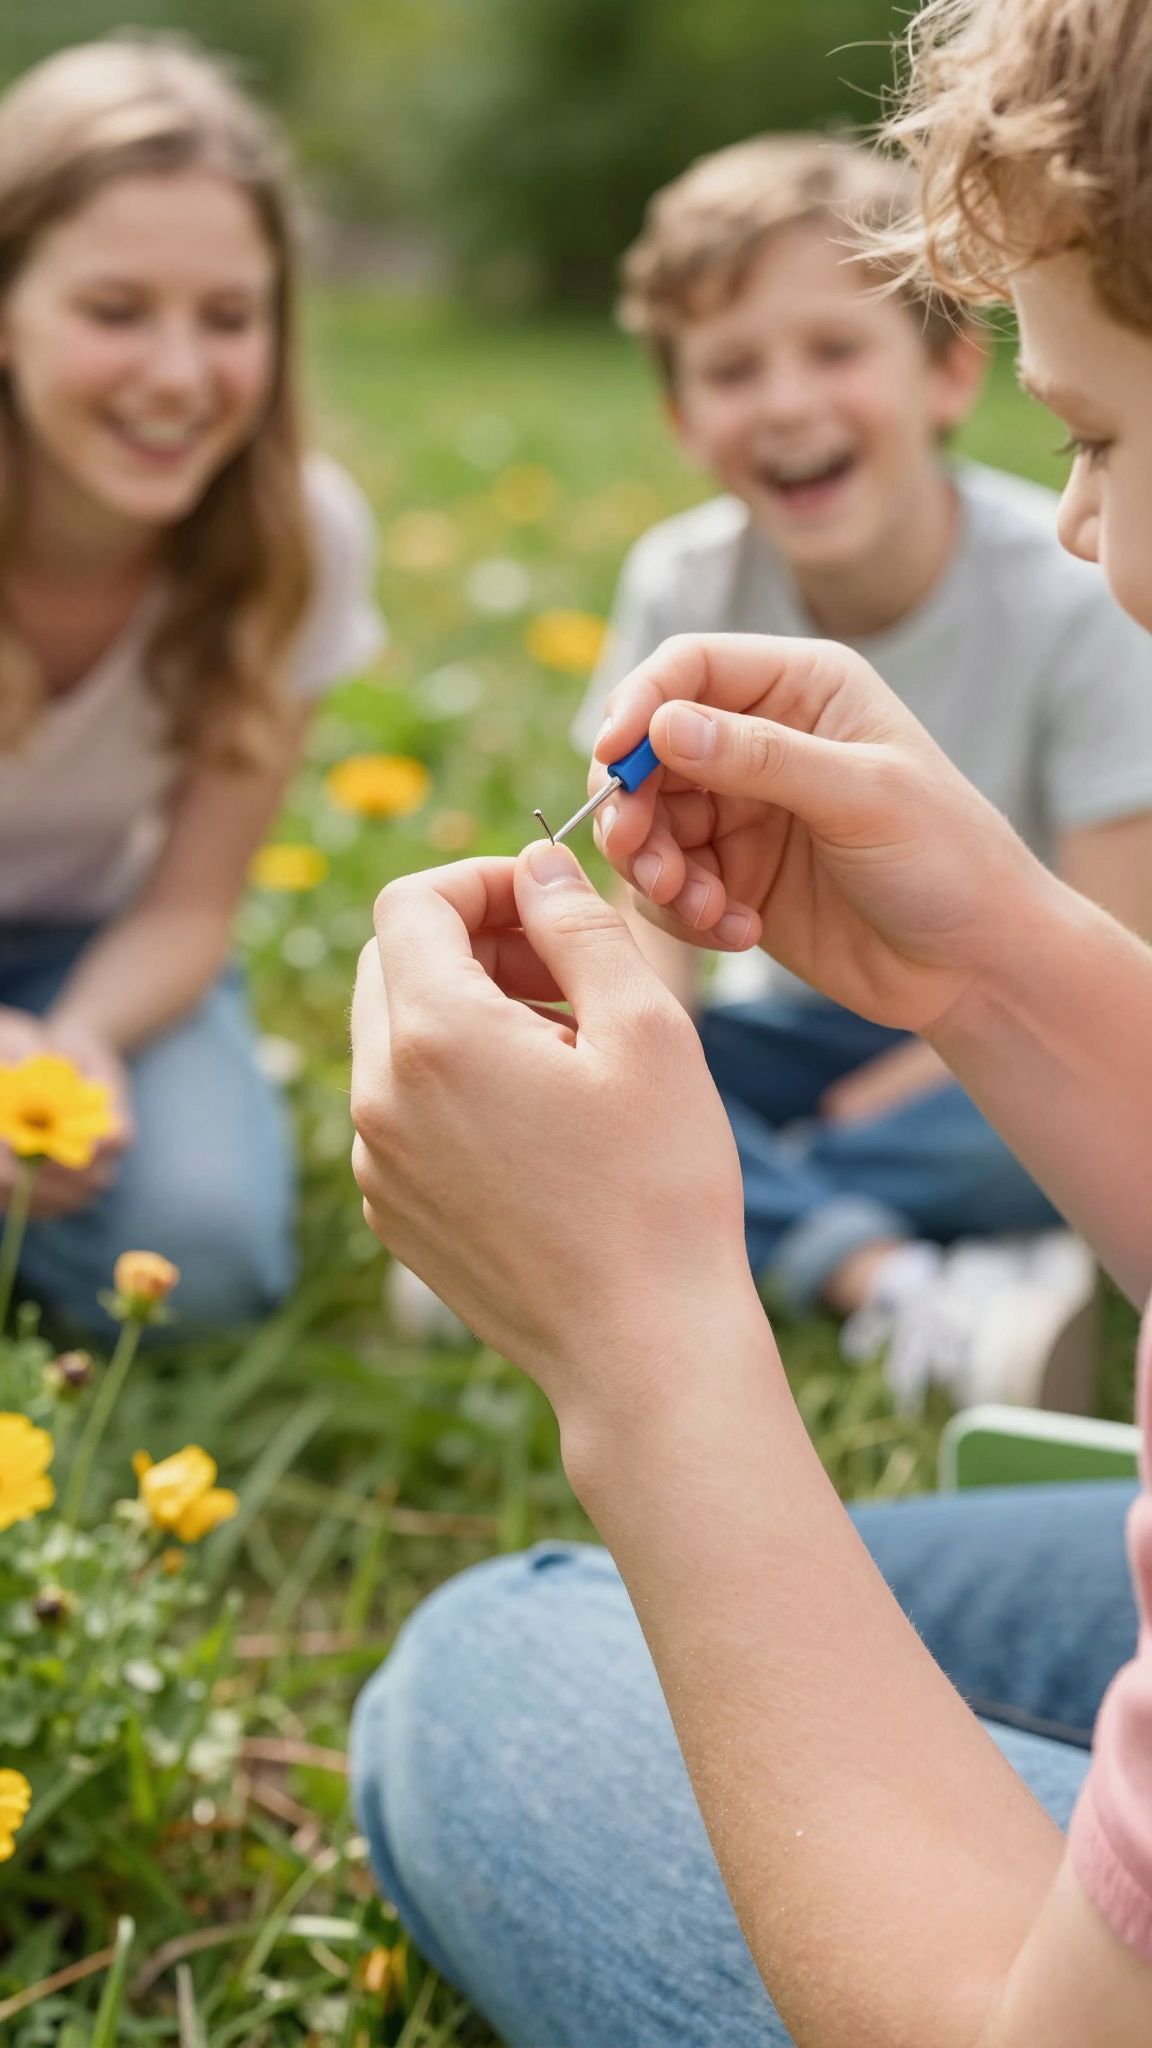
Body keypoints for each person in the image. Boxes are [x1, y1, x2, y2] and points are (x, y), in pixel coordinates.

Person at [348, 1, 1152, 2041]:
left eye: (1104, 440)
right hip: (850, 1042)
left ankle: (831, 1252)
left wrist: (646, 1335)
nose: (1077, 522)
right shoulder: (685, 572)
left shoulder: (1041, 617)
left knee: (489, 1674)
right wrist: (990, 971)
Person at [572, 133, 1152, 1408]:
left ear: (949, 370)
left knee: (1010, 1129)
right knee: (596, 1069)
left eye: (835, 351)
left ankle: (675, 1220)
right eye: (732, 369)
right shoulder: (684, 583)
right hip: (810, 1015)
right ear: (681, 417)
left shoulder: (1072, 593)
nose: (785, 403)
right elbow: (649, 901)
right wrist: (642, 1066)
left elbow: (1105, 938)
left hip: (1023, 1020)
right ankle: (894, 1272)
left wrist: (803, 1135)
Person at [0, 39, 383, 1333]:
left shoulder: (300, 543)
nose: (178, 376)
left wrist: (78, 1045)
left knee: (200, 1258)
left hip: (94, 954)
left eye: (228, 318)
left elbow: (189, 904)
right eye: (116, 312)